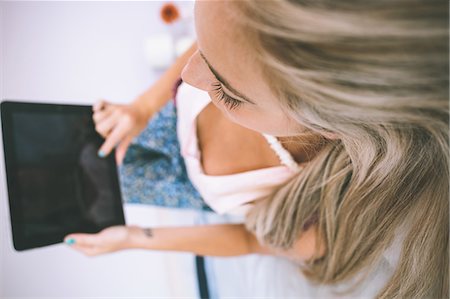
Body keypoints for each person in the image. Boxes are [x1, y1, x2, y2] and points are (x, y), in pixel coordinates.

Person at [64, 1, 449, 298]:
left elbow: (250, 240)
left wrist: (134, 238)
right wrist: (143, 107)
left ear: (329, 125)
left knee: (74, 186)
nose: (188, 79)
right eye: (206, 51)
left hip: (188, 189)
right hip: (167, 120)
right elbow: (219, 42)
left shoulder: (322, 208)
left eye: (227, 92)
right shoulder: (221, 63)